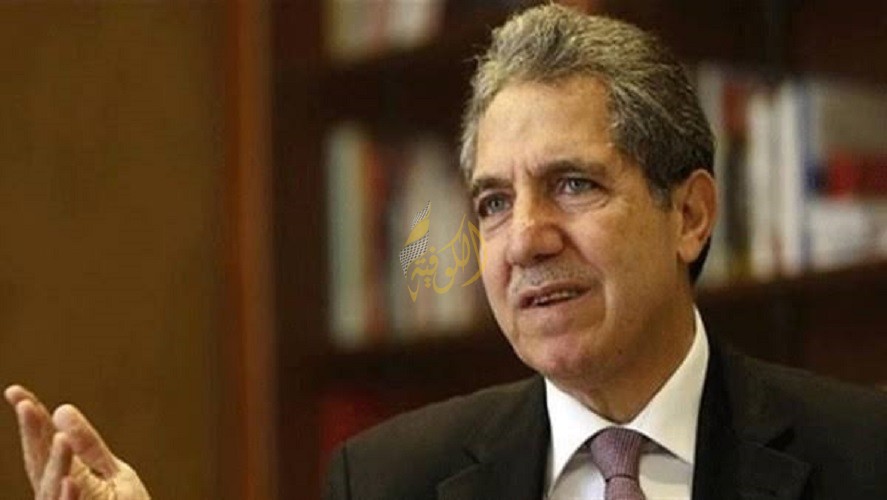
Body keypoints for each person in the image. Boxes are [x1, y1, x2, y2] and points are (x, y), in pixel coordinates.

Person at [6, 4, 887, 500]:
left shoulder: (863, 454)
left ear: (689, 214)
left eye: (572, 184)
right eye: (493, 203)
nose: (525, 240)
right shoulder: (387, 481)